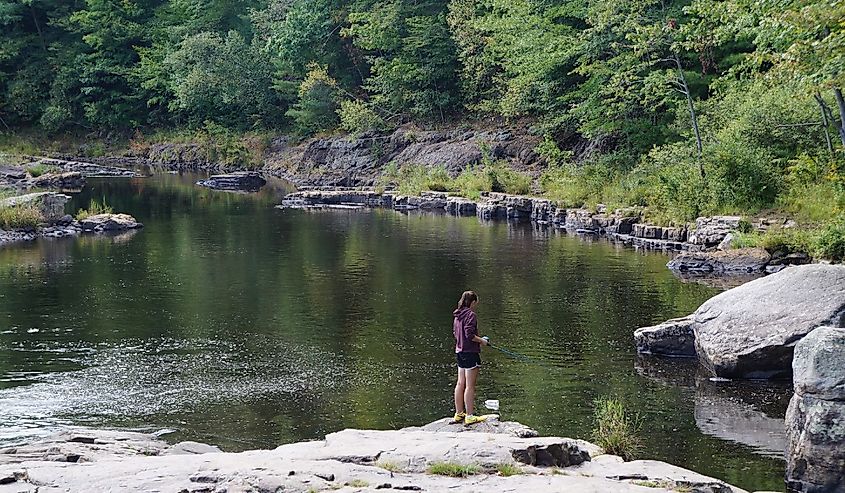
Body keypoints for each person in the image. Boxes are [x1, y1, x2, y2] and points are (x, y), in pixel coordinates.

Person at [452, 290, 489, 425]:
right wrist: (482, 341)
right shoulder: (471, 315)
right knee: (470, 385)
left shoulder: (457, 315)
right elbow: (469, 334)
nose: (475, 306)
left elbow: (456, 333)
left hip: (459, 352)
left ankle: (458, 413)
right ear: (472, 302)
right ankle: (470, 415)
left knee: (460, 383)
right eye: (475, 303)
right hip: (470, 353)